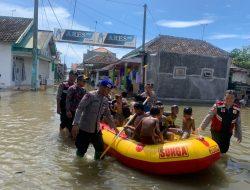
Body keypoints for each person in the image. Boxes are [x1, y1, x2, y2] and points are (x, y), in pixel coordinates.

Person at [71, 79, 118, 160]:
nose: (109, 91)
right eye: (107, 89)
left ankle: (96, 165)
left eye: (109, 89)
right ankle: (79, 165)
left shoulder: (105, 100)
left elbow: (108, 114)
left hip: (96, 129)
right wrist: (75, 124)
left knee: (100, 148)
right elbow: (80, 108)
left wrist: (114, 127)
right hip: (85, 128)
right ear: (101, 87)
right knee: (81, 150)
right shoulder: (90, 95)